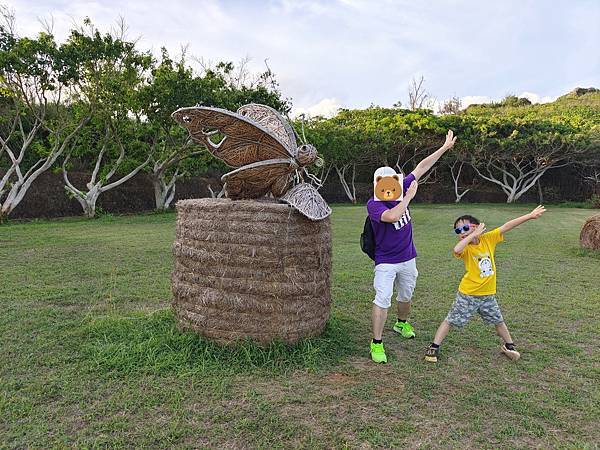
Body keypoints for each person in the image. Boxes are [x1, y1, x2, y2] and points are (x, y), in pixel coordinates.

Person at [368, 130, 457, 364]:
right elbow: (392, 216)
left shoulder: (401, 186)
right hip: (386, 260)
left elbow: (421, 167)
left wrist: (444, 147)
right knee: (382, 297)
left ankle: (401, 323)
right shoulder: (373, 204)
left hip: (408, 258)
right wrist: (408, 198)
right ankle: (376, 343)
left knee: (406, 295)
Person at [424, 205, 547, 363]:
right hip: (468, 294)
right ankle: (434, 347)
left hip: (488, 295)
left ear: (477, 227)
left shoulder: (488, 239)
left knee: (498, 320)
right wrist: (471, 235)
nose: (461, 233)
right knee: (451, 320)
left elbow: (507, 225)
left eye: (465, 228)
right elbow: (457, 248)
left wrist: (529, 216)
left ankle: (509, 346)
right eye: (458, 231)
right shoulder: (466, 248)